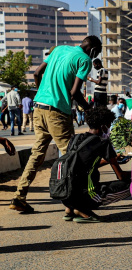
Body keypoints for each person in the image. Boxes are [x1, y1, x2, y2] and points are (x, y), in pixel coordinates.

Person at [9, 35, 100, 213]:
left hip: (39, 108)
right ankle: (74, 204)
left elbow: (37, 73)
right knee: (72, 157)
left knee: (37, 154)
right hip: (57, 112)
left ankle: (19, 197)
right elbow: (75, 93)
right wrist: (89, 110)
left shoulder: (58, 49)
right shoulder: (85, 60)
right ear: (94, 50)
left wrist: (42, 94)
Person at [61, 107, 131, 223]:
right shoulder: (103, 143)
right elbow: (120, 176)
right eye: (108, 124)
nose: (108, 128)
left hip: (65, 194)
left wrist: (109, 160)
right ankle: (83, 211)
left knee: (79, 180)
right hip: (87, 196)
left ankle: (70, 208)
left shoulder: (75, 138)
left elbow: (83, 164)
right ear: (103, 125)